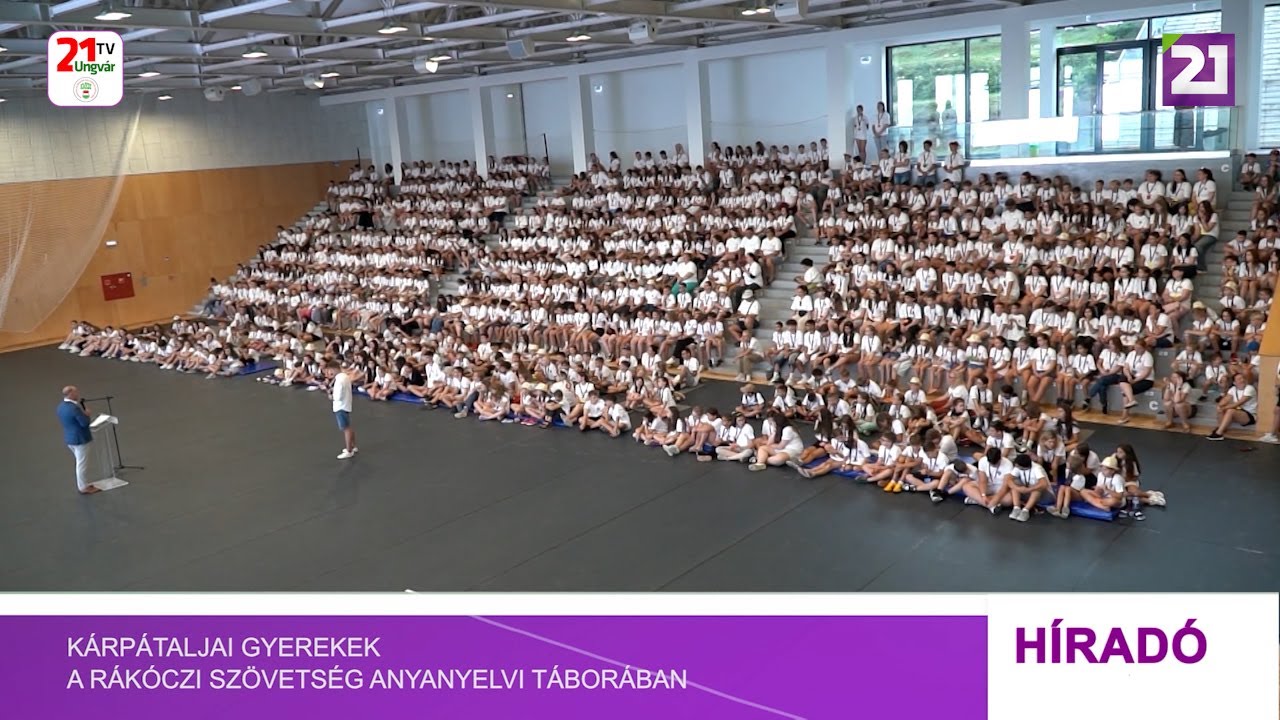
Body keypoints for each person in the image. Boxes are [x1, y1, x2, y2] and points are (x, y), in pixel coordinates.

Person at [57, 385, 99, 495]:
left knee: (80, 462)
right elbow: (84, 423)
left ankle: (84, 484)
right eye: (75, 392)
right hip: (80, 439)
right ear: (70, 394)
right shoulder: (74, 408)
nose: (77, 394)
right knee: (81, 464)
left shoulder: (61, 406)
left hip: (70, 438)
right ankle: (83, 487)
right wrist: (87, 415)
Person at [325, 360, 359, 459]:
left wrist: (331, 396)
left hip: (340, 406)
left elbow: (338, 396)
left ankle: (349, 451)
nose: (329, 373)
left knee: (346, 428)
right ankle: (353, 446)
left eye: (330, 370)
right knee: (348, 427)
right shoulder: (345, 376)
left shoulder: (339, 380)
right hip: (346, 404)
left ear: (334, 369)